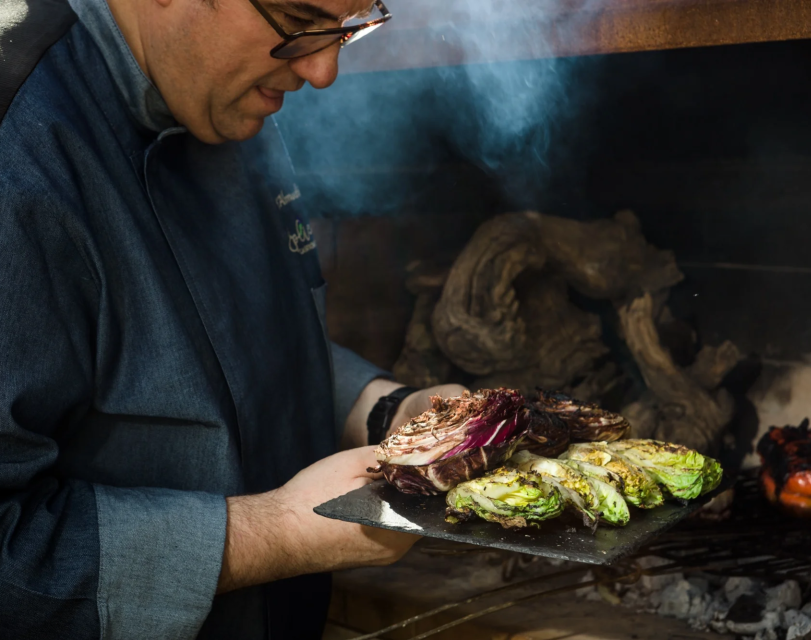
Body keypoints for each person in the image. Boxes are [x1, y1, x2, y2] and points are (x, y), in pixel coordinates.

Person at [0, 0, 463, 637]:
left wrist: (386, 410)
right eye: (299, 20)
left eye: (349, 24)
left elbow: (237, 345)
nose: (323, 70)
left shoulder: (225, 94)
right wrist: (278, 534)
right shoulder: (17, 148)